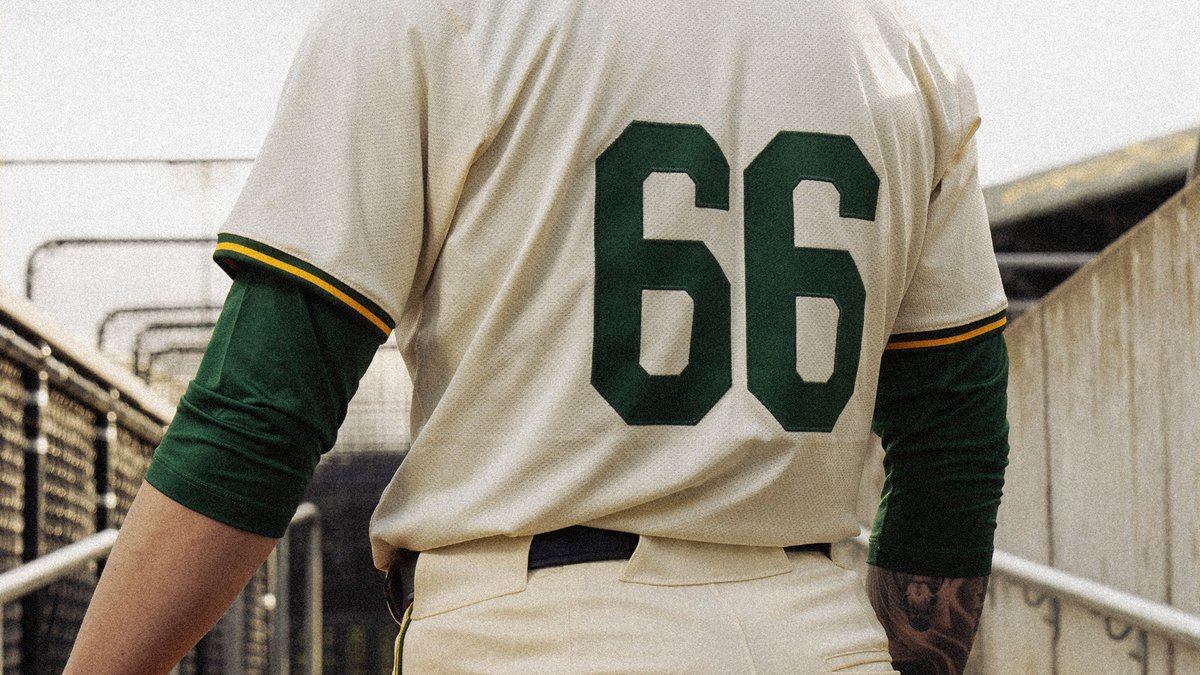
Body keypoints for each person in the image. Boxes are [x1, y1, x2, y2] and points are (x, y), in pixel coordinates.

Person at [67, 0, 1010, 672]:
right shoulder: (909, 51)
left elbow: (257, 416)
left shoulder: (431, 17)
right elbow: (954, 444)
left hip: (527, 627)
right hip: (817, 627)